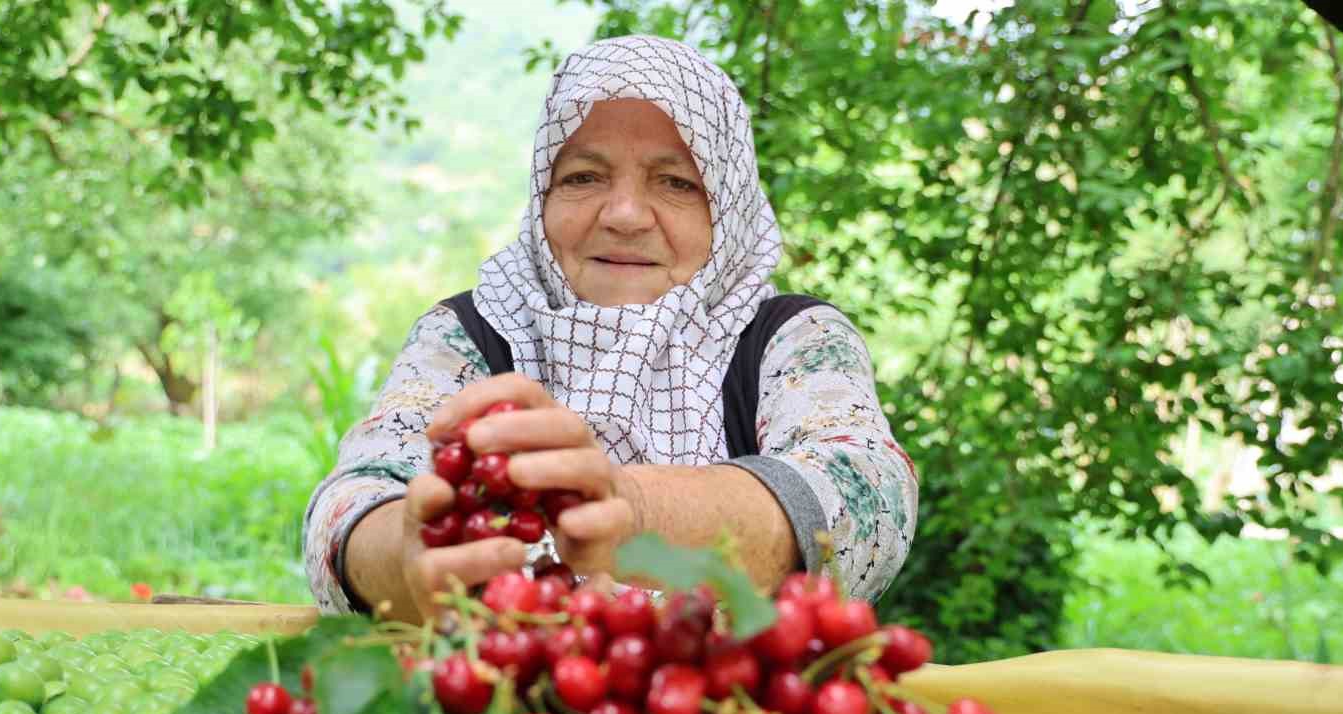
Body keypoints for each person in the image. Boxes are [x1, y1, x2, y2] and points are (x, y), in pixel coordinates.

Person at [305, 35, 917, 622]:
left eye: (677, 182)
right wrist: (402, 558)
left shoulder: (792, 338)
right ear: (542, 197)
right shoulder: (469, 334)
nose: (624, 215)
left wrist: (637, 514)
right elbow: (352, 501)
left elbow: (868, 497)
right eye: (583, 177)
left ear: (726, 210)